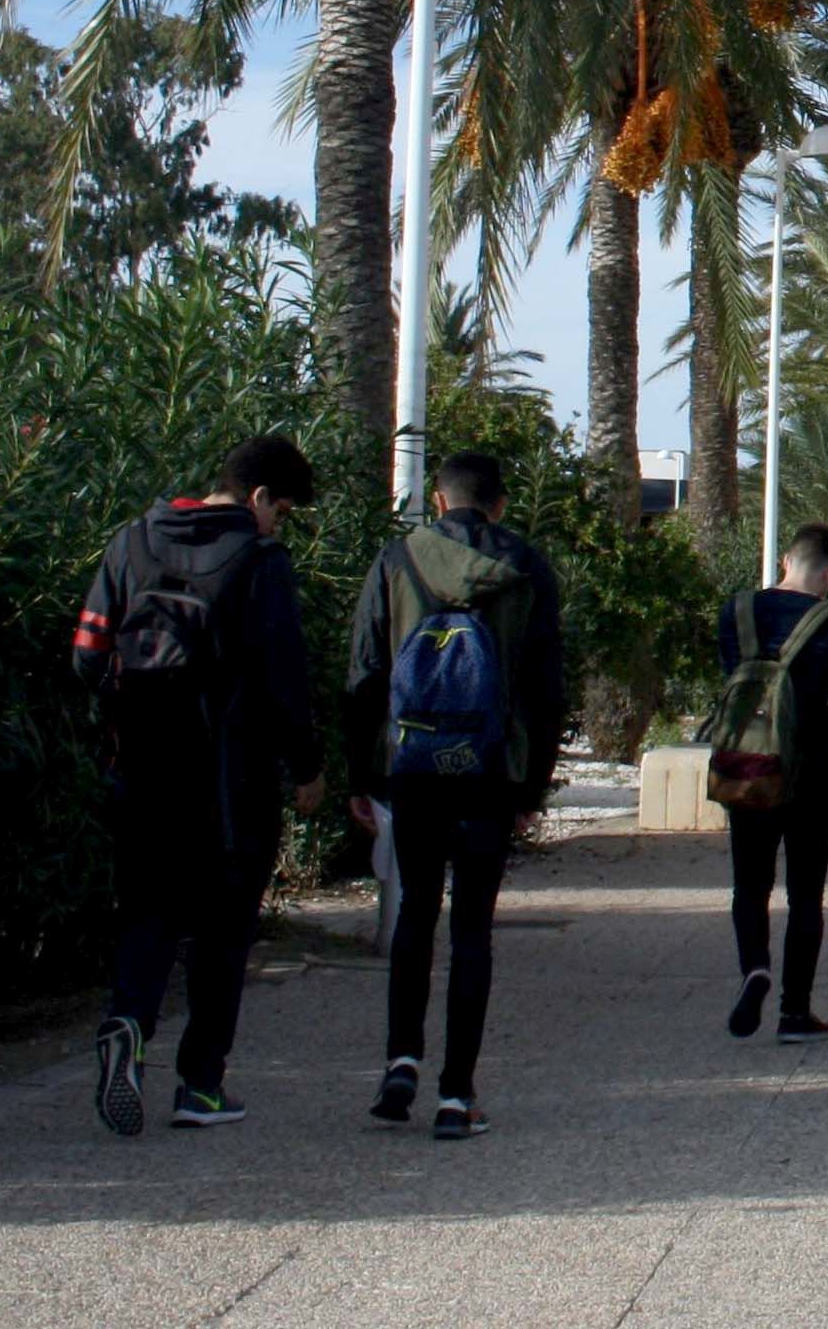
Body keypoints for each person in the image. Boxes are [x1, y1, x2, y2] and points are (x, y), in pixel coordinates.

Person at [73, 435, 325, 1137]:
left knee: (148, 911)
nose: (279, 524)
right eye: (282, 510)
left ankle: (128, 1021)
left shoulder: (131, 540)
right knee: (222, 934)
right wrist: (306, 768)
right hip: (230, 782)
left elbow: (86, 653)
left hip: (143, 771)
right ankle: (201, 1086)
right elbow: (284, 679)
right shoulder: (260, 560)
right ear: (257, 499)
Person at [344, 450, 565, 1142]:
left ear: (438, 501)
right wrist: (534, 784)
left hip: (412, 765)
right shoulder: (527, 568)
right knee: (473, 927)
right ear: (499, 503)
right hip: (491, 769)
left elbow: (365, 672)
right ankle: (456, 1093)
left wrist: (362, 773)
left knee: (414, 910)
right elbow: (546, 685)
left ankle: (400, 1063)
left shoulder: (397, 560)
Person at [714, 523, 828, 1044]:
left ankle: (754, 967)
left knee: (749, 883)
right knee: (805, 894)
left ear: (784, 561)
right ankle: (795, 1009)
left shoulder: (737, 611)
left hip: (747, 762)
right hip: (811, 770)